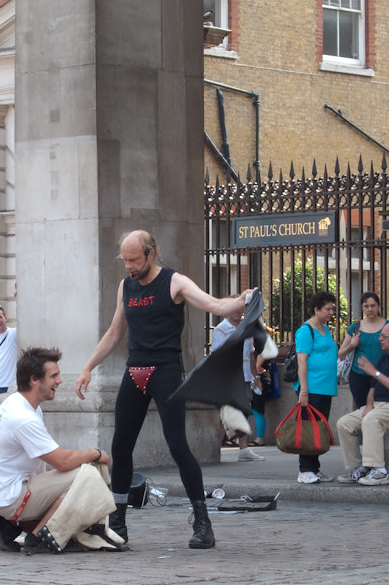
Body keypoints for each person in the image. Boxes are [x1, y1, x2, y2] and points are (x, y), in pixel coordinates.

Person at [75, 230, 249, 549]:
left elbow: (211, 303)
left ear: (150, 254)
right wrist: (88, 367)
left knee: (178, 445)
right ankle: (118, 524)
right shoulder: (125, 286)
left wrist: (238, 302)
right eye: (124, 260)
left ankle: (202, 522)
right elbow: (115, 333)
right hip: (135, 369)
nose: (127, 266)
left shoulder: (174, 282)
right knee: (121, 447)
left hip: (165, 370)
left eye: (133, 260)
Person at [0, 347, 126, 554]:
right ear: (34, 379)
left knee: (76, 479)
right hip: (12, 497)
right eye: (54, 376)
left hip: (9, 492)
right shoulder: (22, 417)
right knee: (87, 474)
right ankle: (41, 535)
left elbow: (49, 462)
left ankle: (23, 526)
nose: (60, 381)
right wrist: (95, 453)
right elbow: (62, 461)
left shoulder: (21, 405)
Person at [335, 325, 389, 486]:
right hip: (377, 404)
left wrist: (374, 372)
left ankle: (379, 471)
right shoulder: (383, 358)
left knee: (371, 420)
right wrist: (369, 404)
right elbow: (373, 387)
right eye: (380, 335)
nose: (380, 339)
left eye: (384, 336)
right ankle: (357, 468)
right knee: (344, 423)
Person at [210, 301, 264, 462]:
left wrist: (256, 377)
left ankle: (244, 449)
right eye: (234, 309)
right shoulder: (221, 329)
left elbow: (251, 356)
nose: (238, 312)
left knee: (244, 412)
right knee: (224, 415)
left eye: (241, 309)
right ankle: (214, 451)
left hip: (245, 377)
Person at [294, 291, 339, 484]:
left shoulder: (325, 330)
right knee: (308, 428)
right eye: (327, 309)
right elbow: (301, 361)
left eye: (332, 309)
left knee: (319, 429)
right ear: (317, 309)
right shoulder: (306, 330)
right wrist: (304, 390)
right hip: (311, 387)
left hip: (325, 387)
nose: (331, 313)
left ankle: (314, 467)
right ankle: (305, 469)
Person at [336, 291, 389, 409]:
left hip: (382, 375)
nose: (370, 309)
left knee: (380, 410)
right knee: (362, 410)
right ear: (362, 308)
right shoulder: (355, 327)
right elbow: (340, 354)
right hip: (358, 376)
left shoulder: (388, 326)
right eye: (366, 306)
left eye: (373, 305)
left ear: (378, 306)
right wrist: (352, 345)